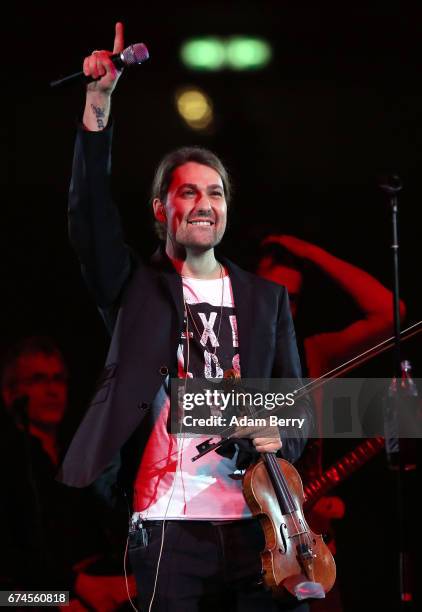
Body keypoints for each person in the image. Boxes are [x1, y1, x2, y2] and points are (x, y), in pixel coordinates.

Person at [58, 22, 314, 612]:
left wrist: (286, 433)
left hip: (263, 525)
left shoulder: (266, 298)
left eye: (216, 192)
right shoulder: (136, 288)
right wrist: (99, 103)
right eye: (188, 192)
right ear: (161, 209)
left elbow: (294, 403)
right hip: (168, 526)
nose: (204, 203)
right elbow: (89, 219)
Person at [257, 234, 406, 611]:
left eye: (291, 298)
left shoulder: (314, 354)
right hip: (240, 543)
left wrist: (312, 252)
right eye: (272, 293)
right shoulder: (223, 359)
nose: (282, 307)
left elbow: (393, 313)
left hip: (307, 544)